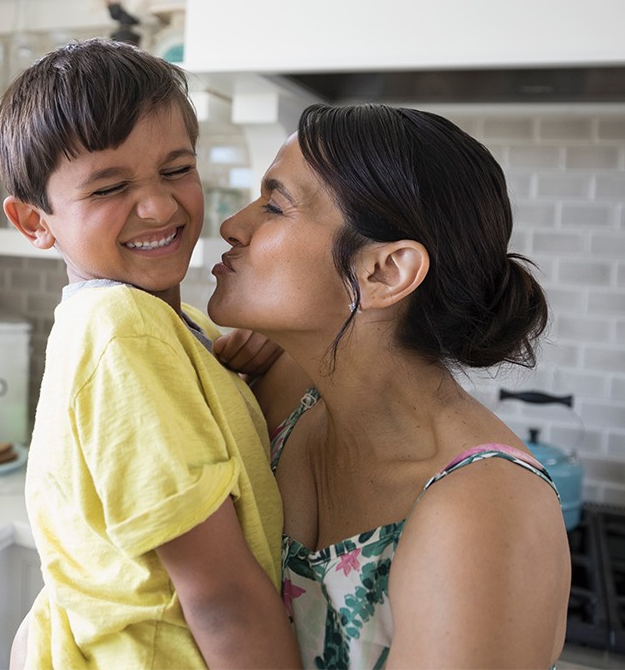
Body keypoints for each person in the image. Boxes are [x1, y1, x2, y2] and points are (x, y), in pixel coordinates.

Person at [209, 103, 571, 669]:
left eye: (275, 206)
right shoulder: (283, 391)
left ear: (385, 272)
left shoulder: (482, 513)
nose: (234, 225)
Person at [0, 38, 302, 669]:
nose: (160, 205)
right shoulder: (121, 328)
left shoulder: (163, 322)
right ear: (34, 222)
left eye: (175, 170)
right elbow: (221, 600)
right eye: (108, 187)